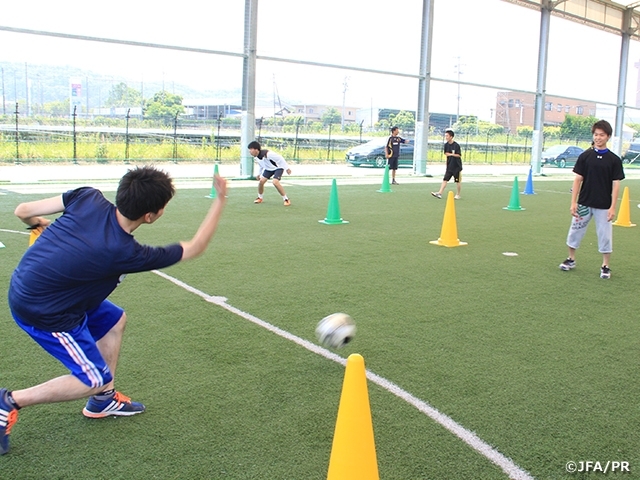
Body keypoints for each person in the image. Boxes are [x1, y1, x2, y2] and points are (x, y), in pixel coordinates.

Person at [0, 166, 227, 455]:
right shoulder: (125, 252)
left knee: (113, 320)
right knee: (92, 379)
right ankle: (9, 400)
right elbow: (195, 247)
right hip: (44, 310)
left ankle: (103, 401)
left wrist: (37, 223)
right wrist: (220, 200)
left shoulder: (87, 197)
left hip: (38, 286)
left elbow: (22, 210)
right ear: (151, 215)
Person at [559, 119, 624, 279]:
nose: (598, 138)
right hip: (584, 204)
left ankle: (605, 266)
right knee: (575, 231)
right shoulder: (585, 156)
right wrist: (573, 202)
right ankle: (571, 259)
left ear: (608, 136)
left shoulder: (614, 160)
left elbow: (616, 185)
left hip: (603, 205)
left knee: (605, 236)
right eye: (596, 134)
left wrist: (613, 207)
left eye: (602, 135)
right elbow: (577, 180)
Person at [248, 141, 292, 206]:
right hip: (268, 169)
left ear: (256, 149)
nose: (250, 152)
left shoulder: (269, 154)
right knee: (261, 181)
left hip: (278, 168)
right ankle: (260, 198)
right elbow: (261, 165)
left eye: (251, 149)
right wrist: (259, 174)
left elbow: (280, 159)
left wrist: (287, 168)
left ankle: (286, 199)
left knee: (275, 182)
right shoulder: (257, 157)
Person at [431, 129, 462, 199]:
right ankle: (440, 193)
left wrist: (451, 154)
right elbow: (446, 153)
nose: (446, 137)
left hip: (457, 166)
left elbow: (459, 155)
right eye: (445, 136)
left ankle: (458, 194)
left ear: (451, 137)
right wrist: (450, 154)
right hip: (449, 166)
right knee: (445, 179)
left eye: (447, 136)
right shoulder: (446, 145)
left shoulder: (456, 145)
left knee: (458, 181)